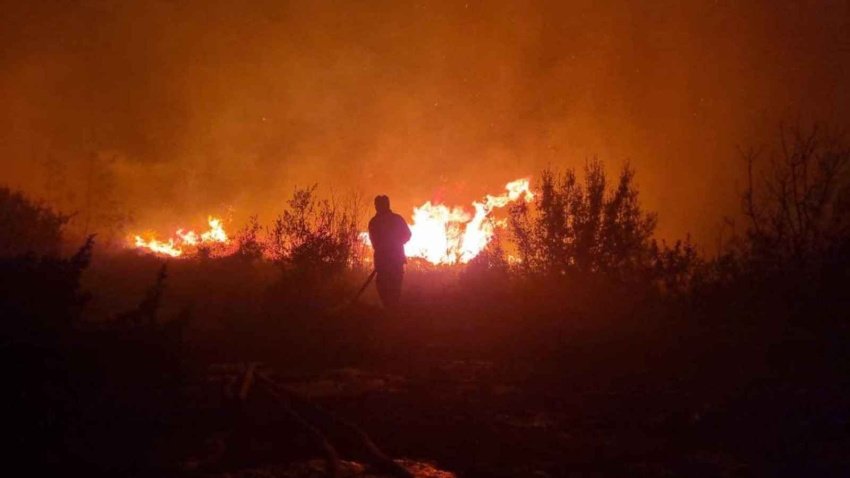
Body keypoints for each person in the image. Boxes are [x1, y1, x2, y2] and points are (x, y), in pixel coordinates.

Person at [367, 195, 412, 307]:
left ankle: (390, 309)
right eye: (377, 205)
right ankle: (390, 309)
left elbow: (407, 235)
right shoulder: (394, 219)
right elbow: (407, 235)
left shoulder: (375, 222)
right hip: (391, 260)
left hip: (387, 260)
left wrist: (392, 244)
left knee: (390, 286)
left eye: (379, 205)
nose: (378, 207)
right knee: (389, 286)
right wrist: (394, 244)